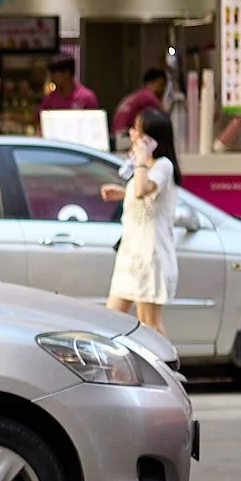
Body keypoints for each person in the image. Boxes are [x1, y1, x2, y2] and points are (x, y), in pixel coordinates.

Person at [101, 106, 178, 335]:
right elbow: (141, 196)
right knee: (111, 321)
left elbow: (143, 189)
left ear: (152, 139)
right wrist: (121, 192)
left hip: (149, 257)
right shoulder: (146, 166)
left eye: (138, 131)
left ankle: (165, 359)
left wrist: (141, 159)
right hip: (130, 254)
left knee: (150, 326)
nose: (133, 135)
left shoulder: (162, 165)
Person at [111, 68, 169, 138]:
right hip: (127, 137)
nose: (163, 90)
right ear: (159, 82)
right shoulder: (150, 97)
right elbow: (162, 122)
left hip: (116, 136)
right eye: (162, 86)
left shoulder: (135, 96)